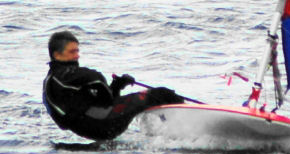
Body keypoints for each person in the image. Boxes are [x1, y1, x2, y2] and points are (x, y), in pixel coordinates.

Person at [43, 30, 184, 141]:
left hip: (95, 125)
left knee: (150, 99)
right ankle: (187, 123)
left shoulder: (57, 80)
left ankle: (172, 129)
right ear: (57, 55)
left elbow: (101, 102)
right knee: (158, 94)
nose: (77, 55)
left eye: (78, 51)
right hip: (100, 124)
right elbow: (96, 79)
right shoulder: (61, 77)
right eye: (72, 52)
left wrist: (117, 85)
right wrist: (108, 91)